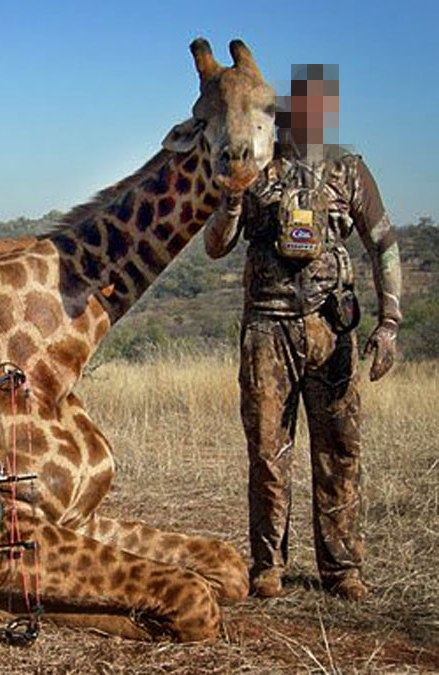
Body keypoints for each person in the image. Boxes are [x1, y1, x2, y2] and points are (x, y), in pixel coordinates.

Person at [204, 64, 402, 600]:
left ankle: (341, 568)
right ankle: (268, 565)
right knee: (268, 450)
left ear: (326, 112)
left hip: (332, 330)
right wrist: (231, 200)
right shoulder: (256, 169)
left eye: (318, 108)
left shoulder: (348, 170)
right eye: (297, 109)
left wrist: (389, 323)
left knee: (340, 448)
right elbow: (216, 244)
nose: (306, 118)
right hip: (267, 331)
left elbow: (382, 245)